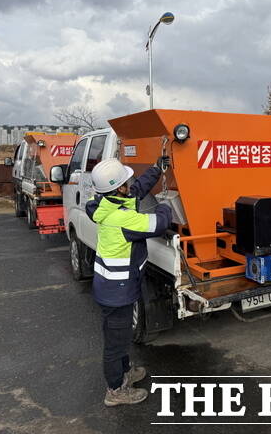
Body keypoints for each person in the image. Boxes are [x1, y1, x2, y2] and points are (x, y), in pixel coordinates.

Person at [86, 157, 172, 407]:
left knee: (119, 336)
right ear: (118, 188)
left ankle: (125, 373)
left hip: (113, 287)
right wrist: (165, 203)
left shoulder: (103, 203)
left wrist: (156, 168)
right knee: (116, 343)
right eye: (126, 181)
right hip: (117, 291)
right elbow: (160, 223)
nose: (130, 184)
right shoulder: (121, 218)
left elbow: (137, 190)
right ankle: (115, 390)